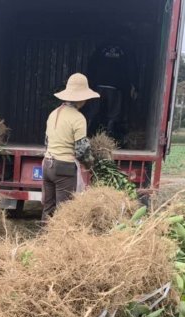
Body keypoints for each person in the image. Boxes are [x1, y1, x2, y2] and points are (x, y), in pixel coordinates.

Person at [41, 73, 99, 223]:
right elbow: (82, 151)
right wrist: (91, 165)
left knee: (48, 208)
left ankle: (43, 242)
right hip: (64, 168)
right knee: (64, 211)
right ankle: (60, 244)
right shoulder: (78, 118)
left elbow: (47, 142)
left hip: (47, 164)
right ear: (82, 99)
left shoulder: (53, 114)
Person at [87, 44, 131, 142]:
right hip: (115, 86)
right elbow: (128, 68)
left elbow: (91, 65)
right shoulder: (123, 49)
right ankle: (109, 137)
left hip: (99, 84)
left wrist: (91, 82)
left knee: (93, 111)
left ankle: (86, 133)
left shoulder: (100, 47)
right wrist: (128, 86)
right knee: (113, 113)